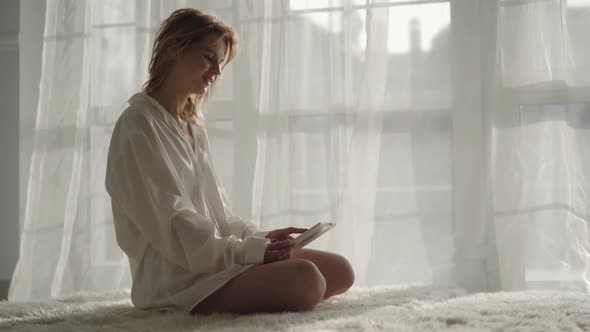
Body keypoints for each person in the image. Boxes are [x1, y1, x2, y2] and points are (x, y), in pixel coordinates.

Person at [104, 8, 354, 315]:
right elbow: (177, 229)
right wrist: (250, 252)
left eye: (220, 63)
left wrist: (262, 239)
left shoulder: (192, 124)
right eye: (209, 57)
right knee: (308, 281)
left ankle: (254, 274)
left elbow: (218, 215)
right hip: (177, 278)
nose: (217, 71)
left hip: (214, 258)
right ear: (173, 49)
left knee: (341, 271)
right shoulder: (138, 126)